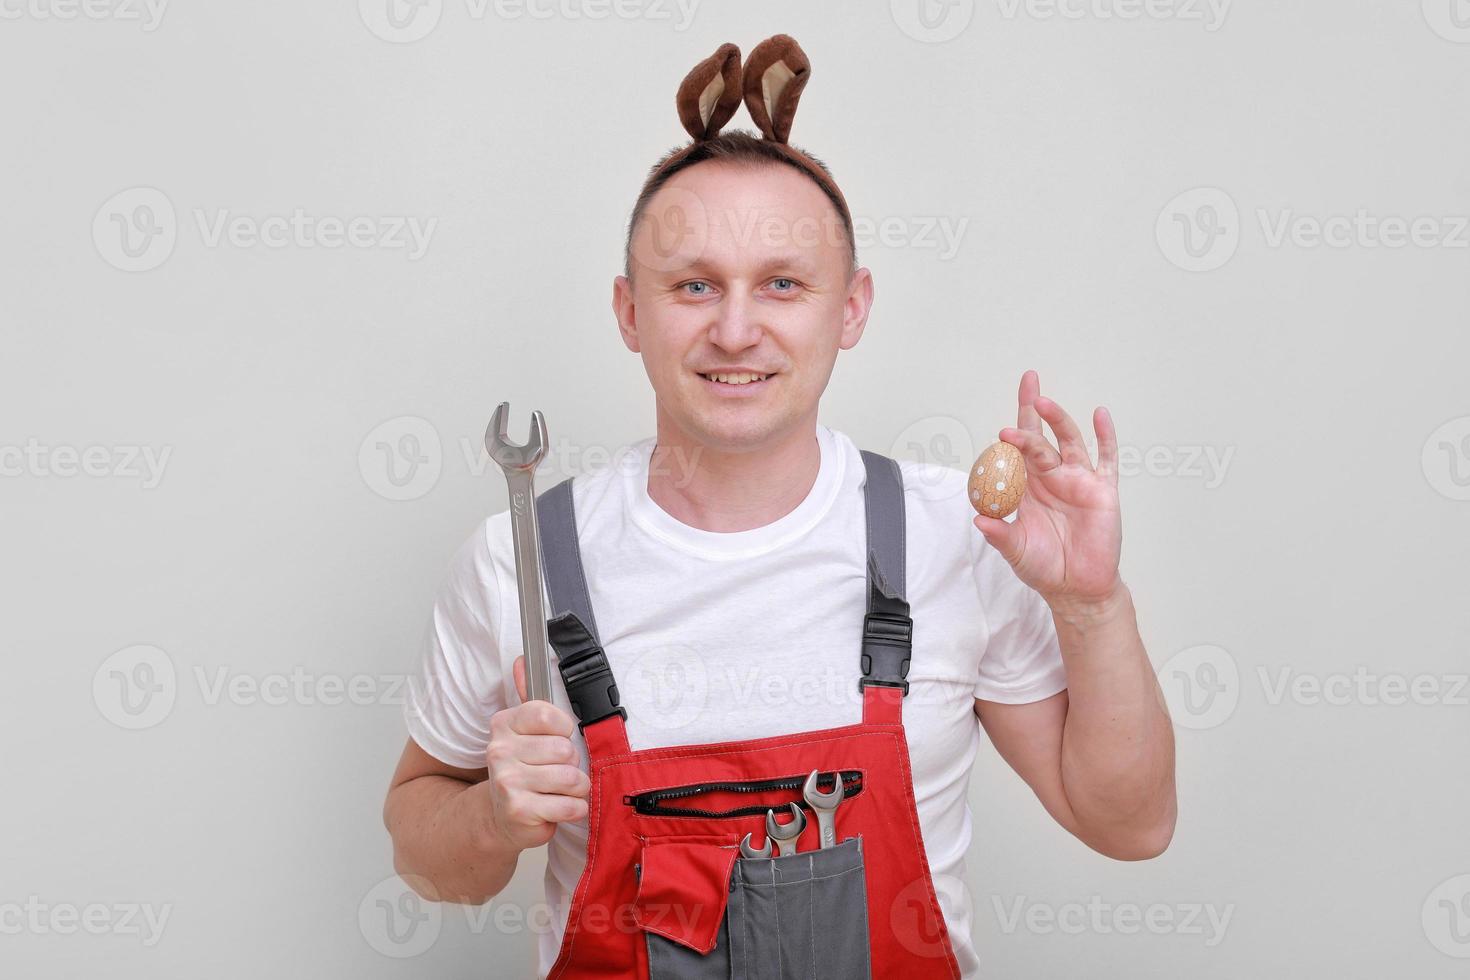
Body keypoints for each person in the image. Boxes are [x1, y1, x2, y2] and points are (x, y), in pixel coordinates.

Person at [383, 36, 1175, 979]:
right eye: (693, 286)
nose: (735, 329)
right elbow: (427, 861)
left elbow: (1130, 825)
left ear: (851, 308)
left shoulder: (951, 538)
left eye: (783, 285)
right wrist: (486, 818)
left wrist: (1091, 606)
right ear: (630, 311)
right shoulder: (522, 560)